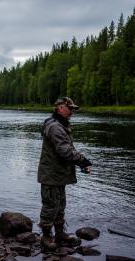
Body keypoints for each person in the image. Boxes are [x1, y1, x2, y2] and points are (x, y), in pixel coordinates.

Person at [37, 97, 92, 251]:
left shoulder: (59, 125)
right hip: (51, 175)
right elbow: (65, 150)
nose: (72, 112)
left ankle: (60, 234)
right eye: (70, 108)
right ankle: (46, 237)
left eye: (73, 109)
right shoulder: (55, 127)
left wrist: (80, 163)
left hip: (58, 175)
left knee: (60, 205)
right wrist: (83, 161)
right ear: (60, 108)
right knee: (50, 206)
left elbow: (65, 151)